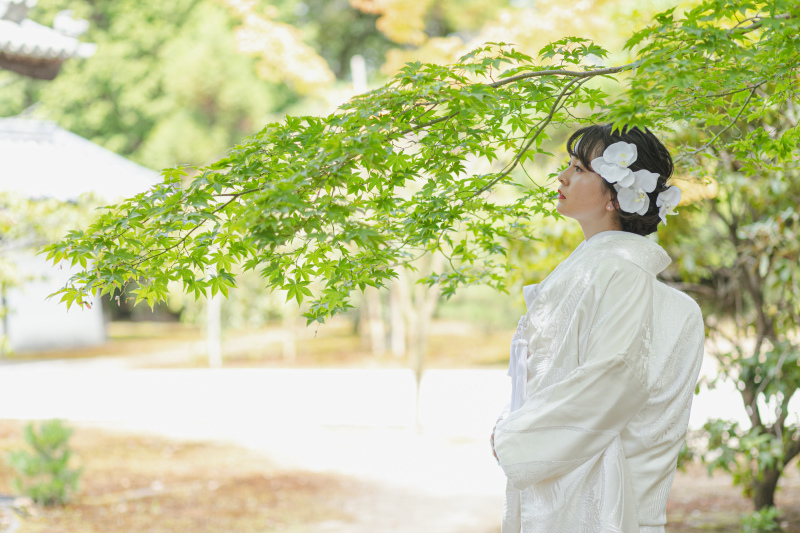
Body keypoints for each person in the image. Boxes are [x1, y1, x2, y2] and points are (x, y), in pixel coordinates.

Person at [490, 124, 705, 533]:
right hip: (570, 481)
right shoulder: (604, 270)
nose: (562, 177)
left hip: (592, 499)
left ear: (614, 196)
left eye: (579, 168)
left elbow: (614, 374)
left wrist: (514, 436)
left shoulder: (617, 272)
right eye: (567, 166)